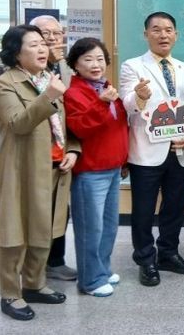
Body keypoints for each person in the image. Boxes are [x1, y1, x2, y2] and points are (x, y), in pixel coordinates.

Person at [0, 25, 80, 321]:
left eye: (43, 43)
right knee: (14, 231)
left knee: (45, 230)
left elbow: (65, 126)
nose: (43, 48)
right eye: (33, 44)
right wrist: (49, 96)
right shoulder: (5, 83)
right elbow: (18, 123)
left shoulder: (49, 79)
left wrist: (73, 150)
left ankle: (33, 284)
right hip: (22, 168)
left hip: (55, 167)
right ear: (16, 52)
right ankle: (10, 294)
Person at [119, 11, 184, 287]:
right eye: (156, 30)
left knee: (175, 206)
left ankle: (168, 253)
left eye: (168, 30)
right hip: (146, 150)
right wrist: (139, 97)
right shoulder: (132, 66)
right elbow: (126, 104)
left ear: (176, 34)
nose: (163, 35)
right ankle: (145, 259)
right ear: (146, 34)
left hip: (179, 150)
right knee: (143, 209)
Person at [64, 38, 129, 297]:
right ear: (75, 64)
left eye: (100, 59)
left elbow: (119, 127)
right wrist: (101, 103)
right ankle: (90, 280)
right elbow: (79, 128)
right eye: (88, 59)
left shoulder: (106, 87)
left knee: (109, 225)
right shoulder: (73, 93)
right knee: (90, 228)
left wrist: (124, 160)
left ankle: (102, 269)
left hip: (112, 167)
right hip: (90, 171)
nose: (95, 64)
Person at [29, 14, 78, 281]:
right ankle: (32, 269)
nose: (51, 38)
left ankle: (55, 261)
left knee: (60, 211)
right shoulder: (23, 73)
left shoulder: (64, 68)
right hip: (34, 155)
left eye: (56, 33)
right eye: (43, 33)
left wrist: (73, 149)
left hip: (61, 153)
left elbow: (72, 109)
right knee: (35, 214)